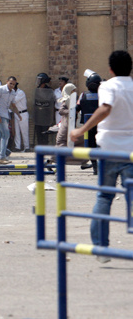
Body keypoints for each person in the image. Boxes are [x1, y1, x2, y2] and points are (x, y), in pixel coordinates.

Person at [70, 51, 133, 263]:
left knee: (104, 197)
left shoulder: (108, 86)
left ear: (111, 69)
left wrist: (81, 130)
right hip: (130, 151)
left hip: (109, 149)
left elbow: (105, 108)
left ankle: (100, 247)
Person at [76, 72, 102, 174]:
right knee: (100, 145)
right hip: (101, 125)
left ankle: (95, 167)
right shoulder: (102, 95)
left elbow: (77, 108)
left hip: (88, 126)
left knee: (90, 146)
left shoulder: (83, 95)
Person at [0, 76, 18, 164]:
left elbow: (13, 105)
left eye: (13, 84)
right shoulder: (0, 90)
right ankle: (2, 157)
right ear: (7, 82)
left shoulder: (13, 92)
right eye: (10, 83)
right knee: (6, 134)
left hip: (5, 115)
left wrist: (18, 114)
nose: (12, 85)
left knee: (1, 136)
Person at [33, 73, 56, 146]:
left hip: (46, 115)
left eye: (39, 79)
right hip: (38, 115)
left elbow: (51, 102)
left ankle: (45, 148)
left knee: (45, 133)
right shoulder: (37, 90)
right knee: (38, 133)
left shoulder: (49, 90)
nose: (38, 81)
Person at [55, 83, 76, 147]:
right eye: (73, 90)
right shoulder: (66, 100)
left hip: (71, 122)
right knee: (61, 140)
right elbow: (61, 111)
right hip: (66, 122)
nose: (74, 92)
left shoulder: (72, 99)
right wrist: (71, 111)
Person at [12, 83, 30, 152]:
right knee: (17, 131)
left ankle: (27, 147)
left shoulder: (20, 92)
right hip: (16, 113)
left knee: (24, 131)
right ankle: (17, 147)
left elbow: (13, 101)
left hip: (23, 113)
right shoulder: (13, 93)